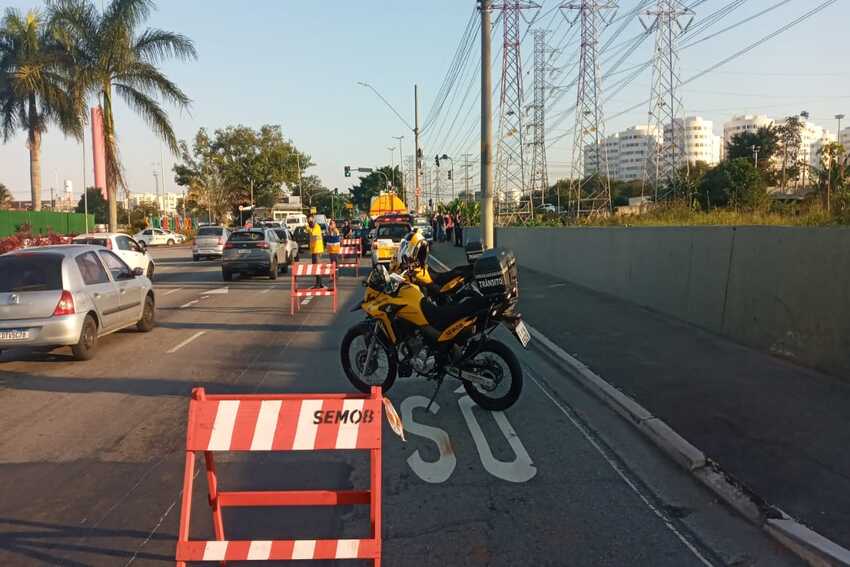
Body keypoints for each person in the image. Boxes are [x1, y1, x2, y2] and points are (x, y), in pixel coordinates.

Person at [307, 214, 325, 288]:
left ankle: (319, 283)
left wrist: (308, 228)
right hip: (314, 250)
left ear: (314, 219)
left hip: (317, 250)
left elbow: (313, 234)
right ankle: (319, 283)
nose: (309, 221)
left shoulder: (317, 227)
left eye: (310, 220)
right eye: (308, 220)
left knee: (317, 267)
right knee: (315, 267)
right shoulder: (312, 227)